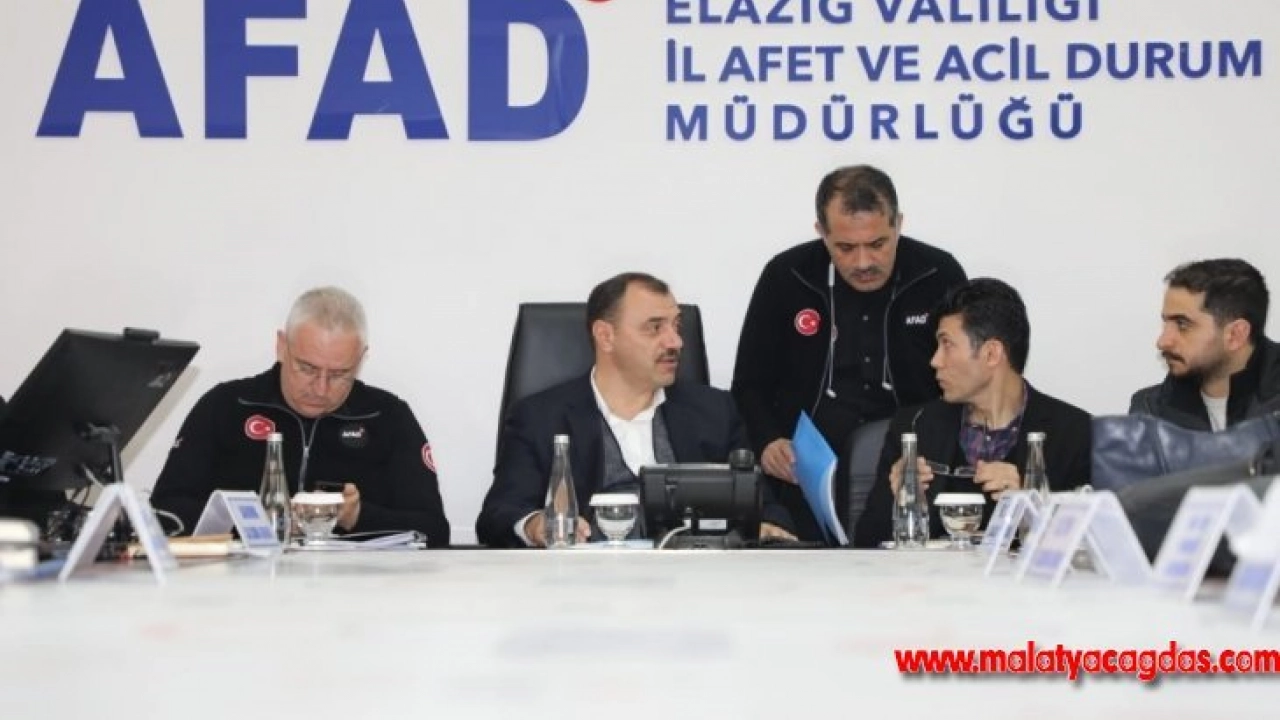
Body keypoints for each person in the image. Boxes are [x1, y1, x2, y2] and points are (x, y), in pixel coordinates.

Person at [732, 164, 967, 541]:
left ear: (899, 224)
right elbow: (749, 383)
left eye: (877, 244)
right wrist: (767, 441)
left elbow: (967, 380)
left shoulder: (938, 274)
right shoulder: (787, 276)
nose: (863, 263)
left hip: (915, 468)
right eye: (845, 247)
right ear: (821, 232)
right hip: (804, 476)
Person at [149, 286, 451, 546]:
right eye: (307, 368)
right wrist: (257, 524)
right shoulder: (228, 405)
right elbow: (164, 514)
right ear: (282, 346)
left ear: (361, 359)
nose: (320, 388)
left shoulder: (387, 417)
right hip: (240, 587)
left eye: (339, 374)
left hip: (353, 590)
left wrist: (358, 517)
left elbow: (435, 532)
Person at [476, 272, 748, 548]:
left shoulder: (715, 411)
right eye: (655, 327)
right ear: (605, 336)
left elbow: (763, 510)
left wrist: (766, 527)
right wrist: (536, 525)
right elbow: (499, 515)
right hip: (585, 573)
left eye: (676, 326)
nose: (675, 342)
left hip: (692, 572)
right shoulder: (540, 417)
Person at [853, 278, 1091, 547]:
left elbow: (1090, 549)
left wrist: (1033, 507)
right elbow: (864, 545)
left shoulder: (1074, 433)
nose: (935, 361)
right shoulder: (914, 428)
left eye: (947, 345)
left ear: (991, 354)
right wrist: (895, 497)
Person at [1130, 258, 1280, 430]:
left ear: (1235, 335)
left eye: (1182, 324)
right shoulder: (1151, 411)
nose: (1162, 342)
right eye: (1166, 323)